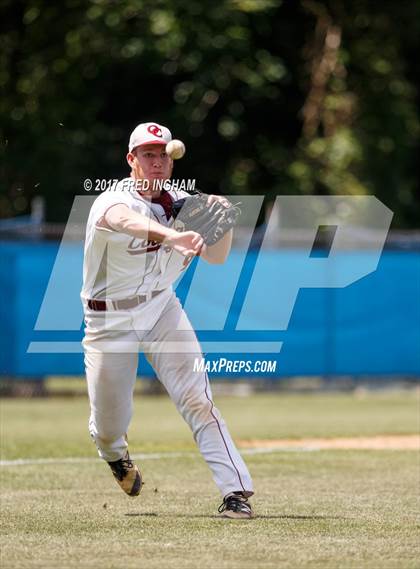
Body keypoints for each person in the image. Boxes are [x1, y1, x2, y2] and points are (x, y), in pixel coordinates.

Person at [81, 122, 254, 519]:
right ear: (132, 160)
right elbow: (125, 222)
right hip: (109, 318)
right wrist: (172, 235)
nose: (156, 161)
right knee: (110, 423)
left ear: (171, 160)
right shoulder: (111, 200)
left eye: (162, 154)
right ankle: (114, 452)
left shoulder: (184, 202)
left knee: (197, 397)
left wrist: (222, 220)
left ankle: (235, 492)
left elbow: (217, 257)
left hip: (161, 306)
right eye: (147, 154)